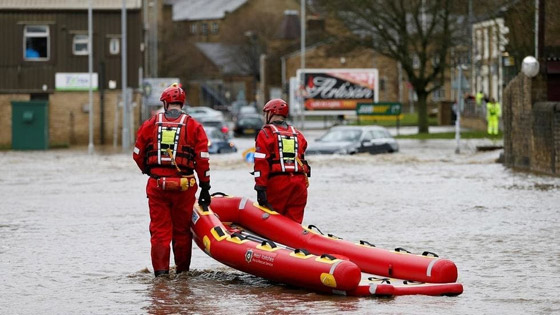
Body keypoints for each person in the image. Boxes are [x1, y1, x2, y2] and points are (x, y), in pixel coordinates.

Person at [133, 83, 211, 277]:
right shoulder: (194, 126)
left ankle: (160, 276)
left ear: (165, 103)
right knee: (182, 232)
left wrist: (148, 171)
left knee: (160, 232)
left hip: (157, 185)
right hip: (184, 187)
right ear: (181, 103)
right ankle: (183, 274)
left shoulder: (150, 123)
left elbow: (137, 154)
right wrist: (205, 186)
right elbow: (202, 159)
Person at [253, 99, 310, 224]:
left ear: (271, 113)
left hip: (277, 185)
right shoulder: (298, 134)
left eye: (265, 114)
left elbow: (261, 163)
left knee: (273, 223)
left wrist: (260, 188)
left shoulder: (265, 134)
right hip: (299, 185)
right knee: (294, 224)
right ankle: (295, 242)